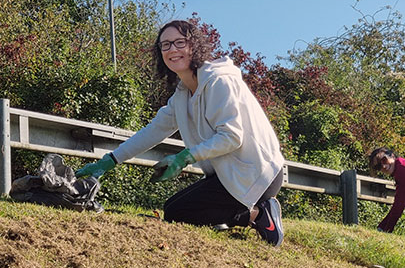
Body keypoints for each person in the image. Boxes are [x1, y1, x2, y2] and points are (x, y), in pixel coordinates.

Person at [76, 19, 286, 246]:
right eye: (165, 45)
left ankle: (259, 215)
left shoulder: (218, 81)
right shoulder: (183, 94)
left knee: (179, 212)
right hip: (229, 175)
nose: (172, 50)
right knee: (173, 209)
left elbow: (232, 137)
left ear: (194, 45)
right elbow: (154, 131)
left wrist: (185, 157)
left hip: (258, 173)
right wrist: (110, 160)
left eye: (179, 42)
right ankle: (227, 216)